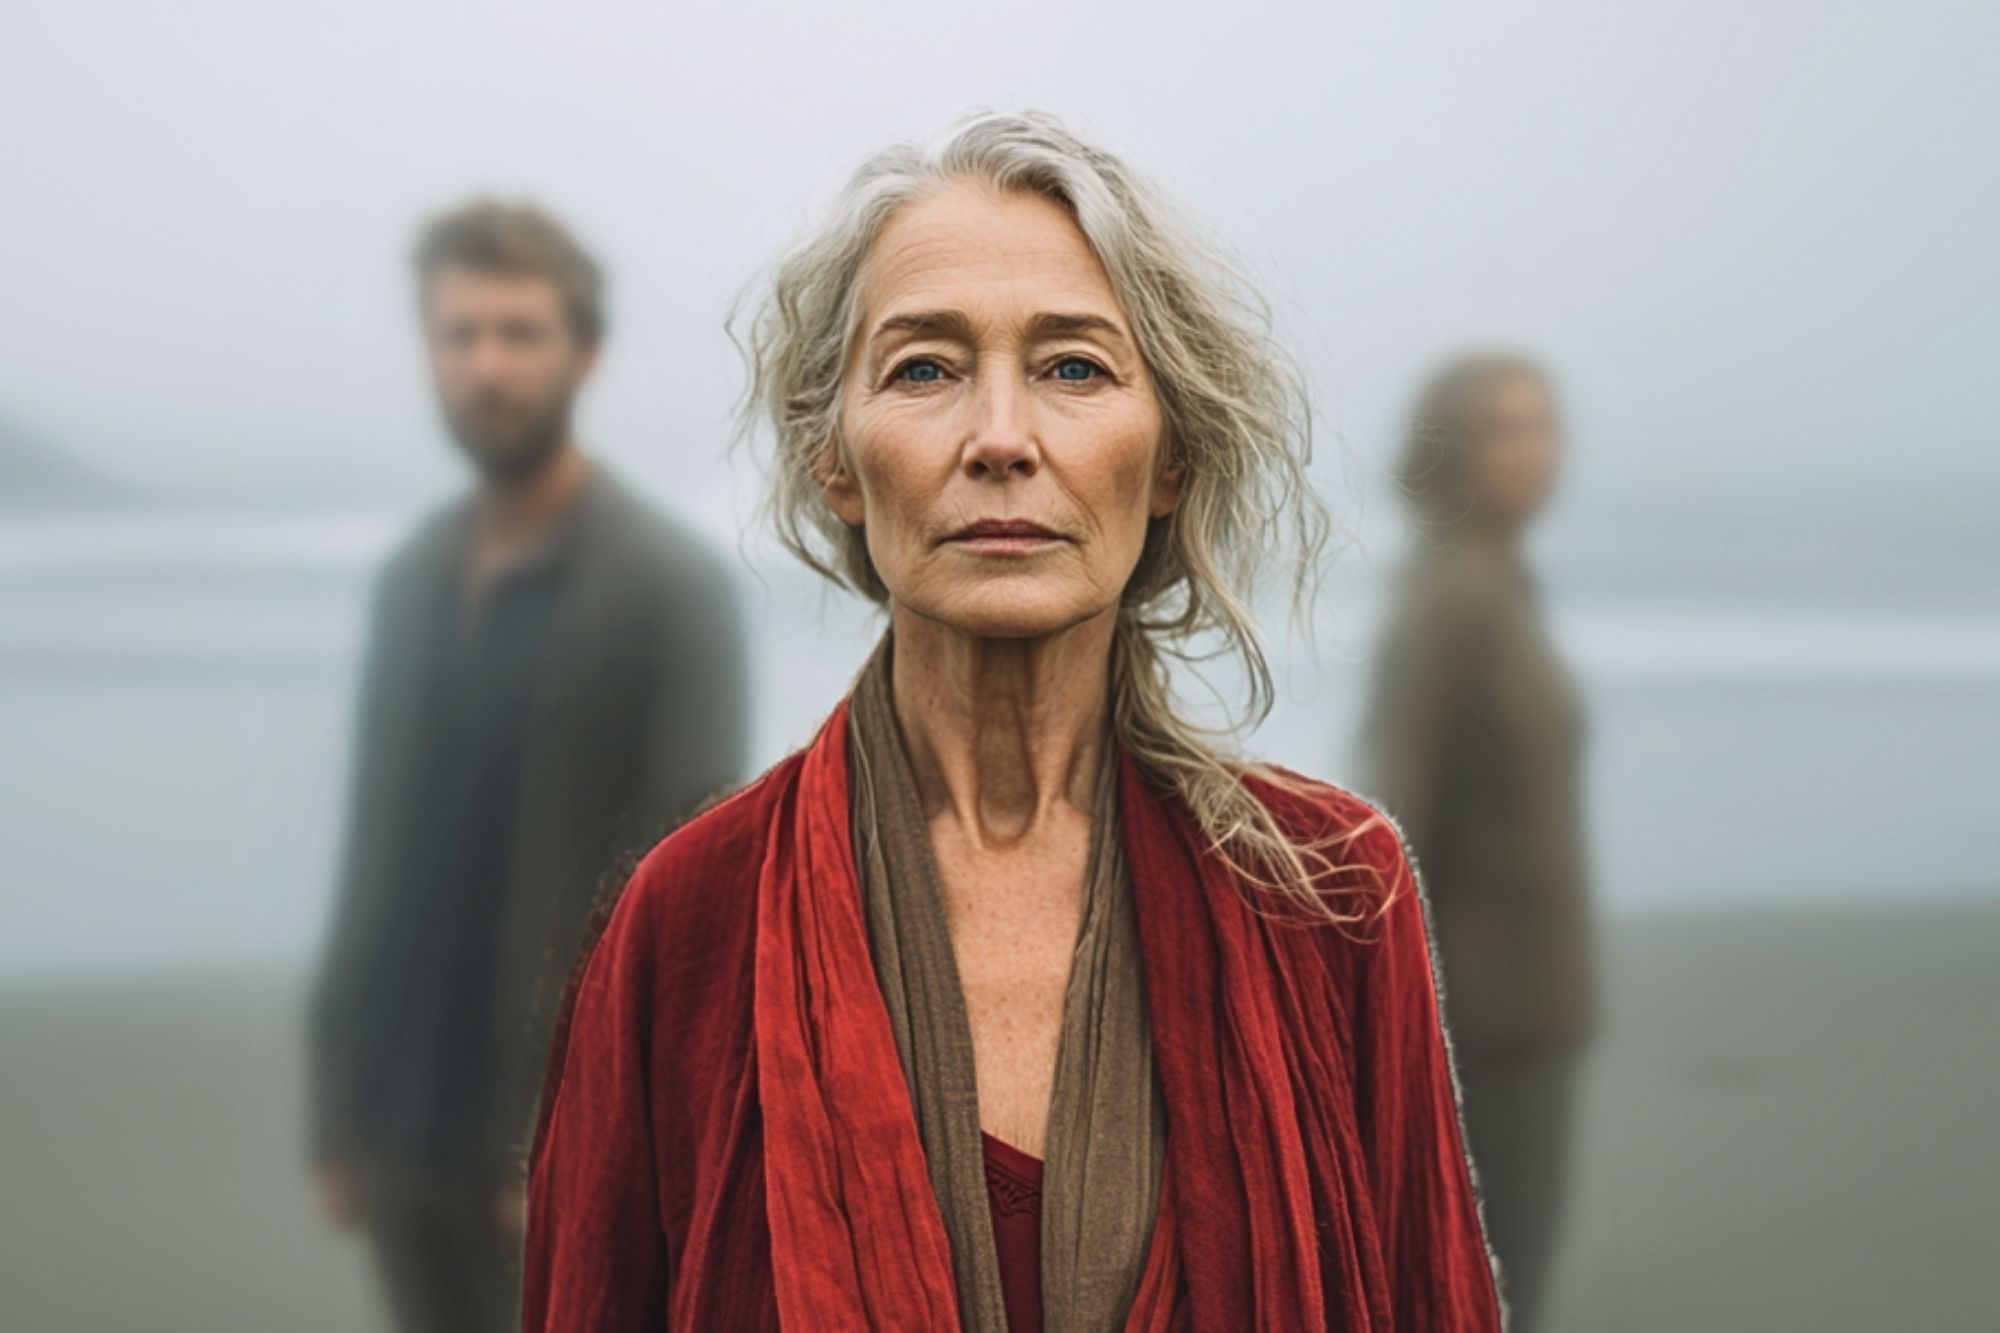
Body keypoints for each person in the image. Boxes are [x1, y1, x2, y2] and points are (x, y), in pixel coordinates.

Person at [523, 111, 1503, 1332]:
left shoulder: (1329, 893)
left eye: (1073, 368)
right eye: (924, 368)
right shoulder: (689, 919)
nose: (998, 439)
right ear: (836, 459)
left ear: (1167, 462)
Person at [306, 199, 749, 1333]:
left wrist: (593, 1138)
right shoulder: (413, 579)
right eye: (459, 335)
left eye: (518, 332)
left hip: (554, 1139)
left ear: (582, 352)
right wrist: (337, 1105)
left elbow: (684, 897)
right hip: (404, 1123)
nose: (486, 365)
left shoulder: (664, 590)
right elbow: (376, 849)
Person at [1357, 353, 1597, 1332]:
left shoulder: (1503, 584)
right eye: (1503, 427)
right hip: (1482, 1021)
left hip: (1536, 1005)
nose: (1533, 451)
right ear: (1448, 448)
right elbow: (1393, 811)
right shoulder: (1447, 600)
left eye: (1542, 424)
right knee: (1483, 1292)